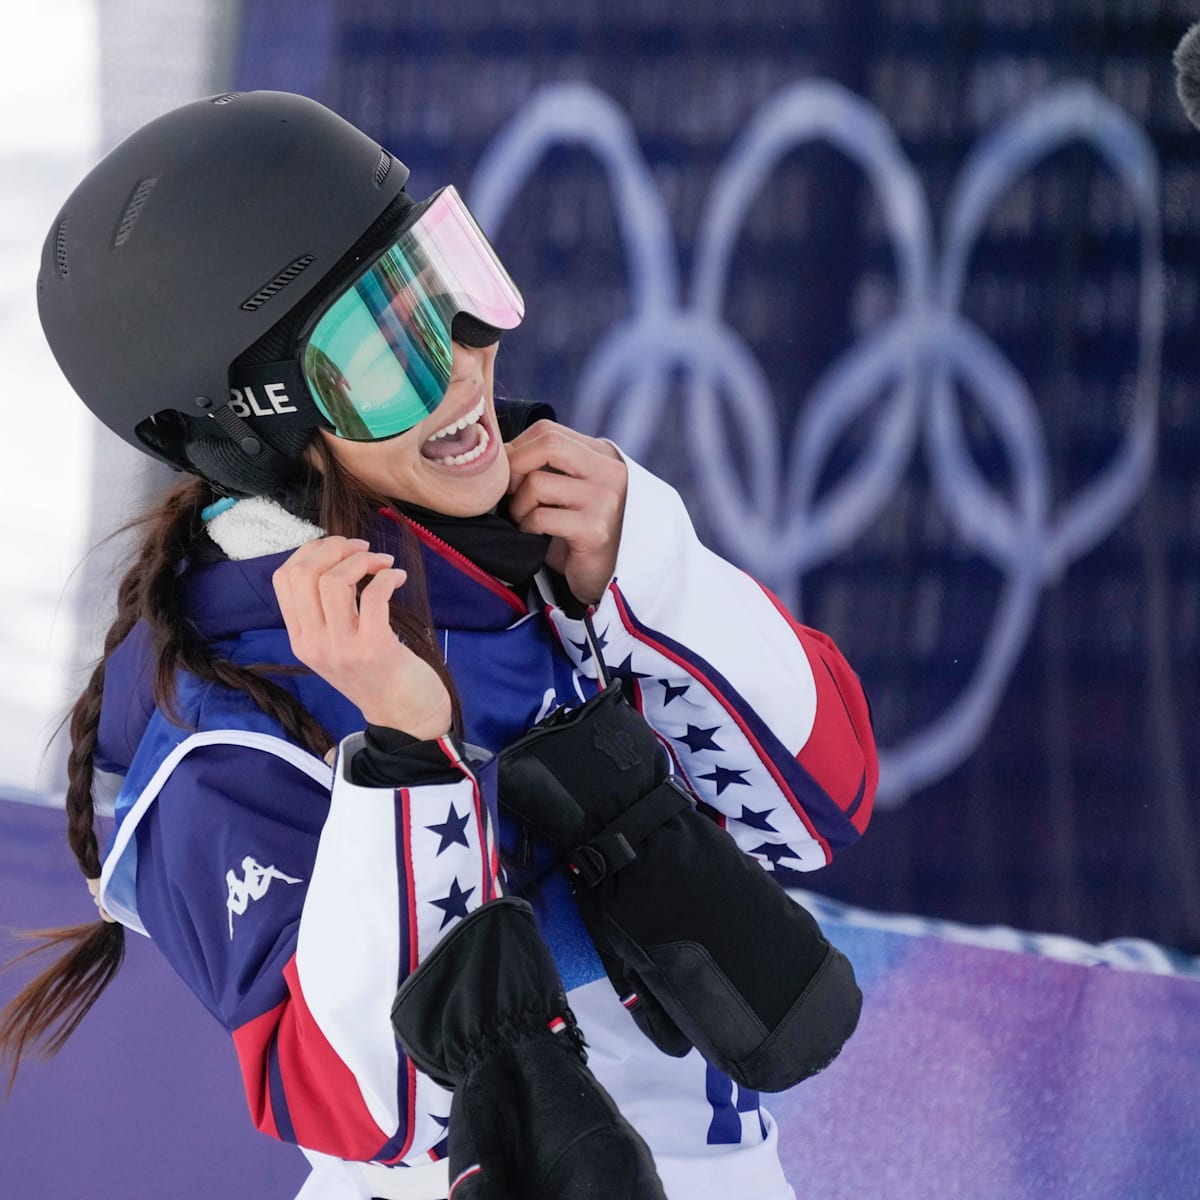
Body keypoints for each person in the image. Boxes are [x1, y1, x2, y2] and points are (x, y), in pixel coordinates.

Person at [1, 91, 878, 1200]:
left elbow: (822, 804)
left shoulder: (544, 549)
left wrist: (655, 581)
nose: (465, 364)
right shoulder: (226, 712)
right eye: (382, 354)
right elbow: (364, 1112)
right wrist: (406, 763)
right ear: (256, 429)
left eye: (448, 288)